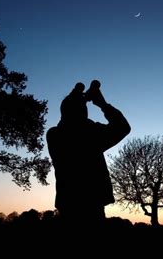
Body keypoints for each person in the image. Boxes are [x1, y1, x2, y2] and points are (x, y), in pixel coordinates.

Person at [46, 81, 131, 228]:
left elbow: (71, 120)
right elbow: (123, 127)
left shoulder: (54, 134)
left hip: (67, 203)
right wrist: (102, 104)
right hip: (92, 204)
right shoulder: (90, 132)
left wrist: (76, 99)